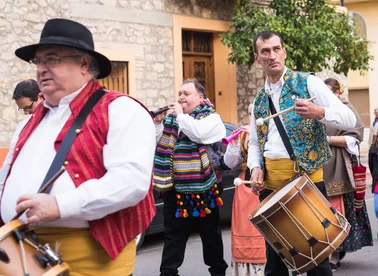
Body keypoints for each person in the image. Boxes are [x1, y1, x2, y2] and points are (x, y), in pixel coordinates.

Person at [0, 18, 156, 275]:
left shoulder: (121, 109)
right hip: (22, 253)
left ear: (84, 63)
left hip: (92, 258)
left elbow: (131, 181)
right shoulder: (28, 124)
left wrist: (60, 205)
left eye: (52, 59)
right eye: (38, 61)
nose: (41, 68)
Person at [248, 30, 357, 276]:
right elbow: (255, 142)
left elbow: (350, 119)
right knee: (275, 264)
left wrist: (320, 112)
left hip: (306, 183)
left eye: (276, 49)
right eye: (265, 51)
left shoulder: (308, 83)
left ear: (284, 52)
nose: (272, 55)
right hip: (271, 187)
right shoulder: (258, 101)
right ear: (258, 58)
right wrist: (256, 167)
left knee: (317, 261)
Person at [153, 79, 228, 276]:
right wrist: (157, 123)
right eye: (179, 94)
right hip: (175, 190)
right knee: (173, 237)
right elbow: (155, 145)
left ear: (200, 97)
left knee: (210, 236)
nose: (181, 98)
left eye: (186, 94)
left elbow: (198, 133)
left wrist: (179, 116)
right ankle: (168, 273)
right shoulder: (172, 122)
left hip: (206, 190)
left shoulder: (211, 118)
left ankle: (218, 272)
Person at [323, 77, 372, 271]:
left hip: (339, 165)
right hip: (319, 164)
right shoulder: (320, 108)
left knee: (337, 210)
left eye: (327, 92)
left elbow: (356, 136)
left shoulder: (345, 107)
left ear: (337, 93)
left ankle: (335, 253)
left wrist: (328, 139)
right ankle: (324, 251)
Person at [223, 103, 266, 276]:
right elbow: (230, 163)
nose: (252, 117)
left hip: (266, 185)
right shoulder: (245, 136)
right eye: (250, 114)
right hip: (244, 187)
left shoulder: (271, 134)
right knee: (245, 229)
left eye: (255, 113)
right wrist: (233, 144)